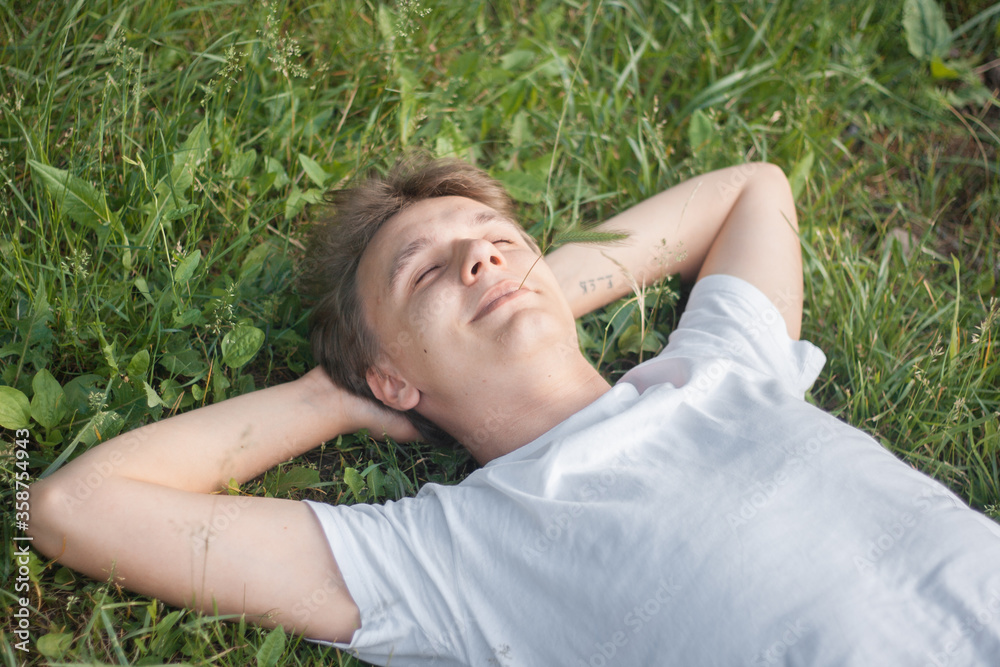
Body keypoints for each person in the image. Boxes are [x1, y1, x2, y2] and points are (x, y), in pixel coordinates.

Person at [27, 157, 1000, 666]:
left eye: (497, 237)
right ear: (390, 378)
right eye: (423, 273)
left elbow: (754, 190)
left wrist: (520, 286)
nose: (479, 256)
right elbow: (75, 504)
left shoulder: (718, 367)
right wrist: (332, 395)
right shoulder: (452, 558)